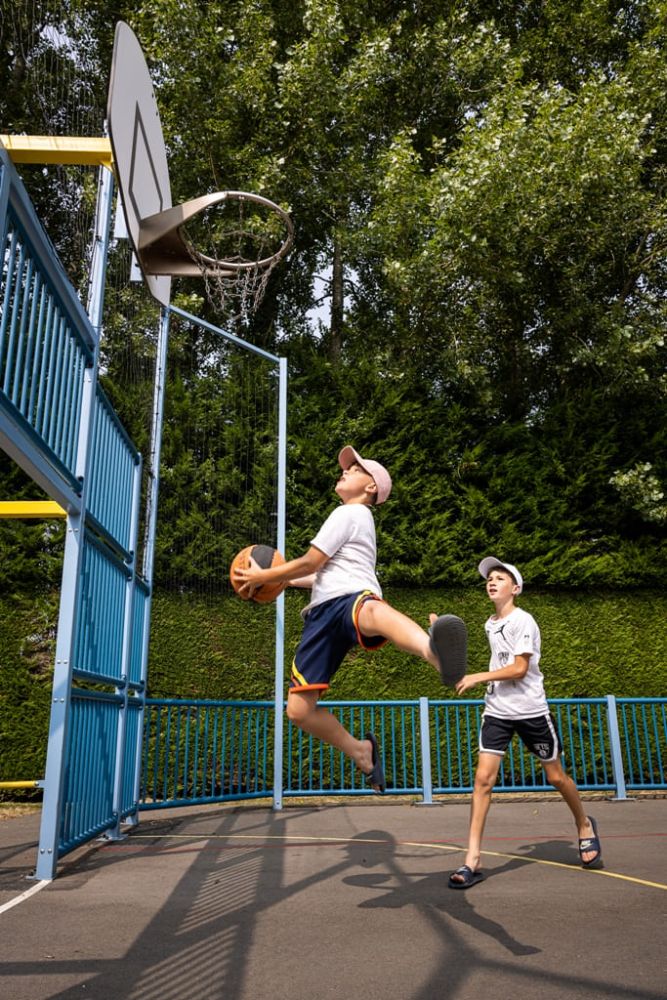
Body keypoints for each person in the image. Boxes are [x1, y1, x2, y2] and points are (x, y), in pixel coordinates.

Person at [233, 445, 467, 793]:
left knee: (370, 610)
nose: (345, 470)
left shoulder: (349, 513)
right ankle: (360, 751)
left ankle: (432, 649)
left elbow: (311, 561)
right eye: (347, 468)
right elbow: (320, 575)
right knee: (298, 710)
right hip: (323, 610)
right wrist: (281, 580)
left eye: (356, 469)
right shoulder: (358, 520)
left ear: (370, 487)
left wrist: (262, 577)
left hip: (349, 598)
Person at [448, 557, 602, 889]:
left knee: (556, 777)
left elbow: (519, 669)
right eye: (489, 578)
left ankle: (584, 824)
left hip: (531, 711)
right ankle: (472, 858)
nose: (492, 582)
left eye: (500, 578)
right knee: (483, 780)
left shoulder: (524, 620)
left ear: (515, 588)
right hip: (497, 711)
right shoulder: (490, 623)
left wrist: (477, 676)